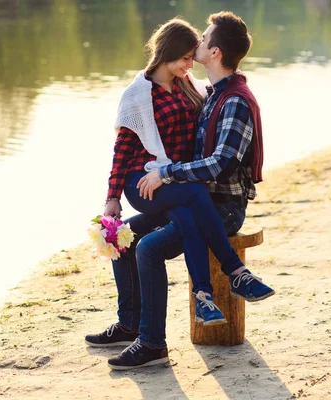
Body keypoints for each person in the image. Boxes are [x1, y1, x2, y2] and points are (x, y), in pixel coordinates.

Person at [85, 11, 275, 371]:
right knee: (125, 239)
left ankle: (153, 342)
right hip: (176, 189)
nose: (195, 50)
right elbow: (124, 147)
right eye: (187, 52)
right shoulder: (201, 93)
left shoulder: (224, 97)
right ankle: (132, 324)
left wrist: (168, 173)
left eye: (201, 42)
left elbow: (219, 162)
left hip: (213, 201)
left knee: (150, 248)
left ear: (214, 52)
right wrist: (113, 195)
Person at [103, 18, 230, 329]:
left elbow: (217, 98)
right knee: (189, 207)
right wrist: (112, 198)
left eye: (192, 57)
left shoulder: (187, 84)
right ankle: (219, 282)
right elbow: (123, 149)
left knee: (126, 240)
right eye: (185, 58)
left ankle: (131, 325)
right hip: (145, 181)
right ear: (168, 53)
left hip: (176, 179)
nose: (190, 64)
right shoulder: (139, 95)